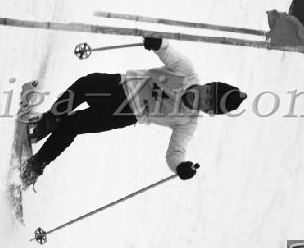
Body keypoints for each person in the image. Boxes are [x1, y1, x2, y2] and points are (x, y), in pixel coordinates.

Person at [20, 37, 247, 188]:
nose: (201, 98)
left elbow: (175, 152)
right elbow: (167, 51)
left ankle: (36, 165)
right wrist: (157, 43)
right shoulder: (185, 71)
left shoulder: (187, 123)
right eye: (207, 92)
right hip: (121, 86)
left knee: (74, 124)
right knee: (86, 85)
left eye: (206, 103)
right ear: (208, 84)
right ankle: (48, 122)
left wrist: (180, 166)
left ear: (208, 111)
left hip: (126, 114)